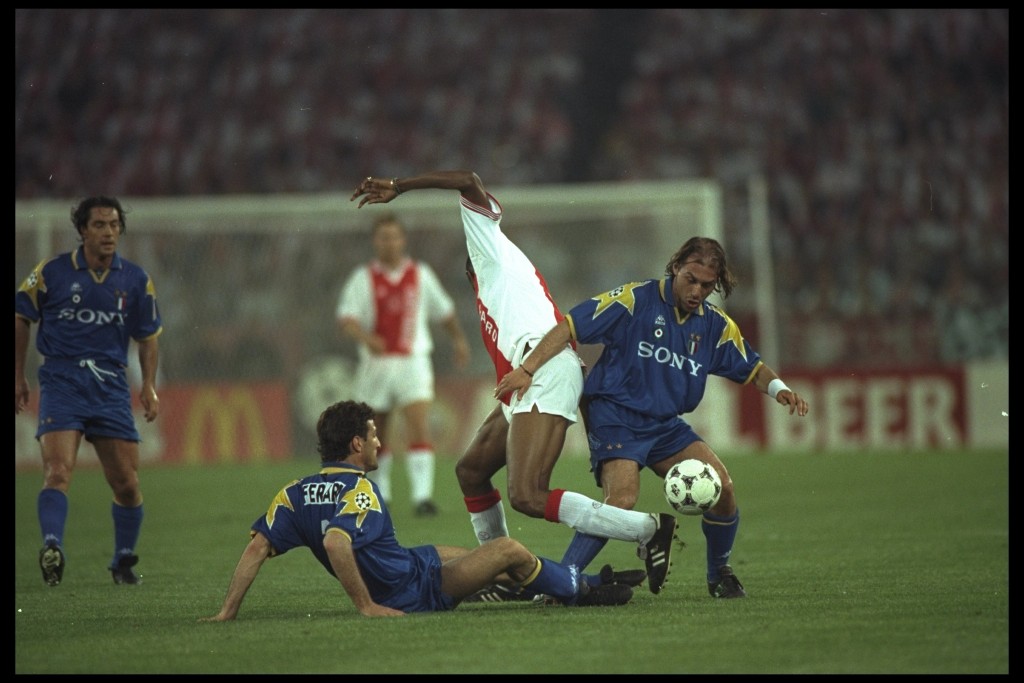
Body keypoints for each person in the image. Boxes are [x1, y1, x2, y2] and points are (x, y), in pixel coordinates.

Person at [350, 172, 677, 598]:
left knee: (527, 495)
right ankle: (502, 572)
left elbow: (467, 179)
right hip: (525, 380)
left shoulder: (491, 246)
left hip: (544, 369)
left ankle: (647, 529)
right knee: (471, 472)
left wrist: (400, 186)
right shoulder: (491, 286)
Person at [494, 236, 811, 598]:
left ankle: (719, 573)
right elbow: (569, 325)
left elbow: (753, 367)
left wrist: (780, 389)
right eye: (691, 279)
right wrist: (527, 369)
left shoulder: (716, 327)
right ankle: (562, 579)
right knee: (621, 500)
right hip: (615, 415)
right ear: (676, 267)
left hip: (664, 426)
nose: (697, 291)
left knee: (723, 488)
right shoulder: (634, 300)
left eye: (707, 285)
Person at [198, 400, 633, 620]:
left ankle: (579, 581)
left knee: (484, 562)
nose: (379, 442)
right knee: (507, 551)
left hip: (410, 564)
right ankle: (581, 589)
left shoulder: (294, 493)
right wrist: (366, 606)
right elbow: (335, 542)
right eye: (373, 436)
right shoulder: (360, 492)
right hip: (413, 591)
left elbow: (256, 548)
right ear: (356, 444)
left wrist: (228, 611)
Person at [15, 196, 163, 587]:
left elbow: (148, 337)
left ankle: (122, 561)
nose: (108, 232)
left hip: (110, 385)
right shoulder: (52, 272)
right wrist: (18, 376)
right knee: (57, 471)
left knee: (127, 483)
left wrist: (148, 385)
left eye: (114, 225)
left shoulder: (135, 280)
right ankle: (52, 547)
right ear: (82, 230)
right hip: (62, 380)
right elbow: (21, 316)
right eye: (99, 225)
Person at [336, 212, 470, 517]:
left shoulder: (420, 274)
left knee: (419, 424)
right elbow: (347, 319)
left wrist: (459, 340)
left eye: (394, 236)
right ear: (375, 241)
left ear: (403, 240)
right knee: (376, 431)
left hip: (413, 361)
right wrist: (366, 338)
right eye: (384, 237)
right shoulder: (362, 278)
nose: (390, 243)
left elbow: (445, 312)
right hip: (376, 365)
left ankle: (422, 497)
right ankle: (381, 494)